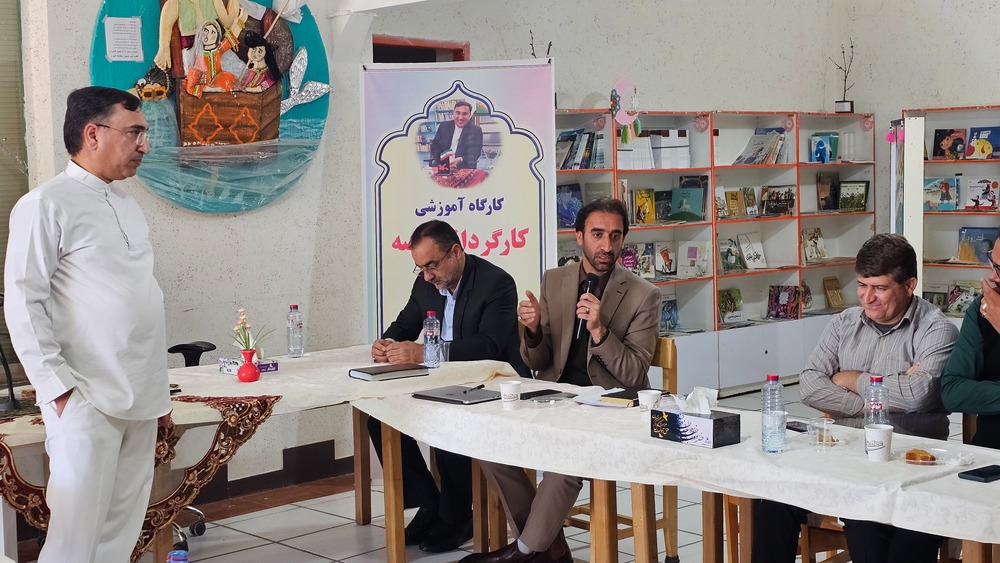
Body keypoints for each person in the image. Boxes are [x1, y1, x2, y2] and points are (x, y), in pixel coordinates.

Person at [4, 87, 170, 563]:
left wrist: (158, 394)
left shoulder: (128, 205)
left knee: (121, 533)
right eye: (134, 132)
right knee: (75, 541)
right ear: (92, 134)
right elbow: (24, 302)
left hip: (140, 395)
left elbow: (140, 301)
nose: (144, 145)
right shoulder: (45, 204)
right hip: (85, 397)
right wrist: (58, 391)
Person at [460, 198, 661, 563]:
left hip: (611, 407)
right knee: (488, 439)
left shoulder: (644, 295)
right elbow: (536, 362)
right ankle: (548, 548)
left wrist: (599, 330)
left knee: (564, 457)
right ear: (579, 236)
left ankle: (524, 552)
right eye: (597, 235)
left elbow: (634, 373)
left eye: (615, 236)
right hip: (556, 398)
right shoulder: (555, 280)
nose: (607, 245)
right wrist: (534, 330)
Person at [752, 233, 959, 563]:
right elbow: (809, 385)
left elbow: (917, 396)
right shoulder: (843, 323)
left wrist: (849, 379)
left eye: (879, 287)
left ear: (909, 285)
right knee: (774, 501)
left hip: (906, 460)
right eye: (862, 285)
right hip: (842, 452)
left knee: (869, 523)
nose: (867, 297)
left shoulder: (937, 330)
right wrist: (873, 403)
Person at [369, 219, 527, 553]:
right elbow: (405, 323)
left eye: (432, 266)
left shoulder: (496, 283)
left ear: (455, 252)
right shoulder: (426, 284)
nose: (427, 276)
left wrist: (426, 352)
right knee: (380, 418)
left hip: (494, 384)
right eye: (420, 268)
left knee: (446, 416)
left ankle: (457, 517)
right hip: (444, 382)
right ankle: (431, 504)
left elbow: (488, 346)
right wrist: (387, 342)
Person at [941, 237, 1000, 448]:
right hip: (989, 454)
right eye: (993, 264)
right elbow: (953, 392)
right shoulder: (983, 308)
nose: (992, 276)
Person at [428, 100, 483, 170]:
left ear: (469, 115)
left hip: (464, 166)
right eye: (457, 113)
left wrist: (460, 159)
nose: (460, 117)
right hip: (443, 164)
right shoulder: (443, 126)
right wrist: (443, 160)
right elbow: (435, 146)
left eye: (465, 114)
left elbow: (475, 152)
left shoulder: (476, 130)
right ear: (453, 114)